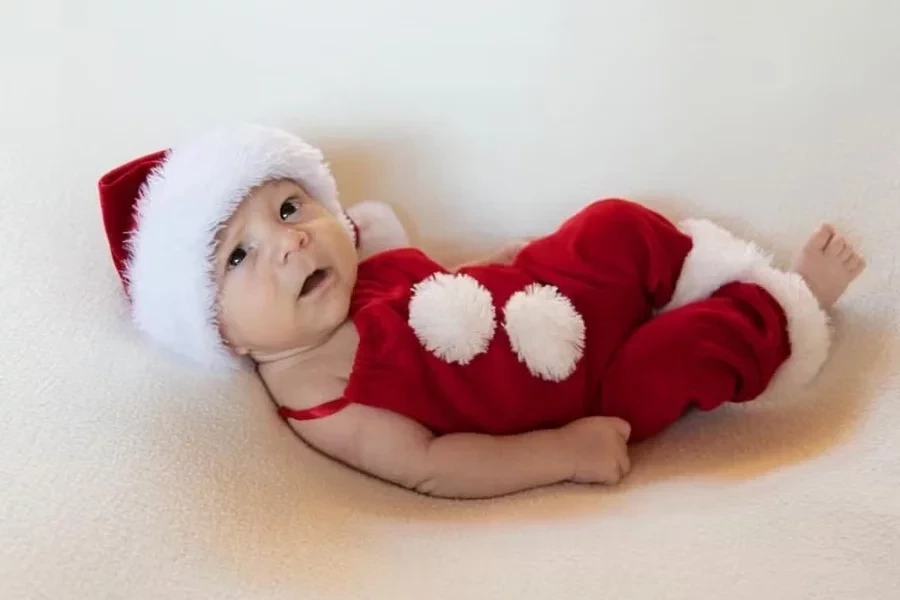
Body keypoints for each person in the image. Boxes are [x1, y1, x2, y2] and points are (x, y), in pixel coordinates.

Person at [98, 124, 866, 499]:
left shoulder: (361, 273)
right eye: (238, 256)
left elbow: (437, 294)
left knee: (612, 223)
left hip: (540, 297)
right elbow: (433, 466)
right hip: (583, 396)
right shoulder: (319, 394)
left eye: (290, 206)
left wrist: (499, 268)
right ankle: (788, 304)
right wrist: (566, 452)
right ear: (217, 330)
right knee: (685, 355)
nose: (289, 240)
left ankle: (697, 272)